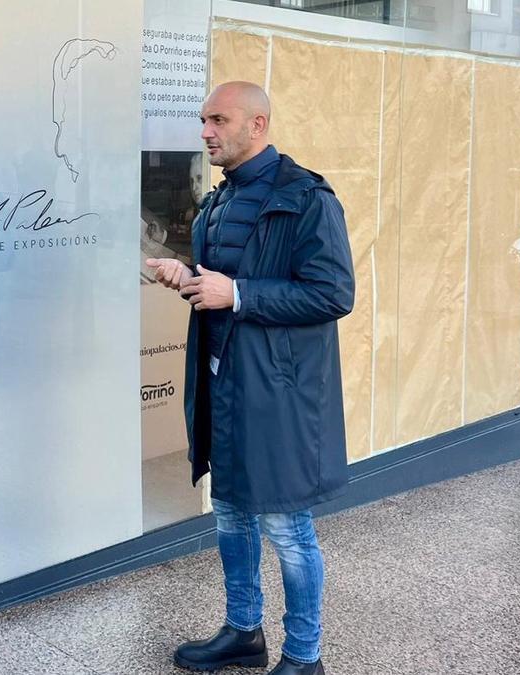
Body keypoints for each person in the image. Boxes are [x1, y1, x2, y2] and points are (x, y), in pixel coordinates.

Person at [147, 81, 355, 675]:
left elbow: (333, 292)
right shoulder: (219, 200)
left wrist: (236, 292)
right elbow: (223, 282)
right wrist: (186, 274)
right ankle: (243, 632)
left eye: (219, 120)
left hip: (278, 391)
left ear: (257, 125)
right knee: (230, 513)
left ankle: (304, 656)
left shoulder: (307, 198)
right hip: (222, 382)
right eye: (203, 120)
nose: (206, 131)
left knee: (287, 526)